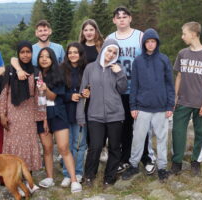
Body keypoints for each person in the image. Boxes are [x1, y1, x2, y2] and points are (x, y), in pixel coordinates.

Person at [107, 6, 156, 174]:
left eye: (124, 16)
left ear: (130, 18)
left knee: (142, 125)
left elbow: (150, 60)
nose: (121, 19)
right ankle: (125, 158)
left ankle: (146, 158)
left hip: (138, 89)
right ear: (114, 20)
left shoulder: (140, 36)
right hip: (118, 90)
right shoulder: (110, 39)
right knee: (125, 127)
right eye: (118, 16)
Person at [121, 28, 175, 182]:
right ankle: (133, 165)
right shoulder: (138, 61)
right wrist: (133, 106)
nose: (150, 44)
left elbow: (170, 84)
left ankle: (162, 168)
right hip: (142, 107)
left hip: (161, 107)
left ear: (157, 43)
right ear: (144, 44)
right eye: (148, 42)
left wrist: (170, 105)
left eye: (153, 41)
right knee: (138, 138)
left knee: (162, 139)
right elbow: (134, 85)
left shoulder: (164, 59)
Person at [77, 38, 127, 186]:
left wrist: (119, 74)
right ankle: (89, 176)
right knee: (95, 146)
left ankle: (109, 178)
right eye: (109, 50)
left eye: (114, 52)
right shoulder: (90, 68)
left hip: (116, 115)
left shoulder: (118, 68)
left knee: (114, 147)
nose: (111, 54)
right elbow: (83, 92)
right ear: (104, 49)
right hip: (95, 115)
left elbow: (123, 89)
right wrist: (80, 115)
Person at [35, 47, 82, 193]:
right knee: (47, 149)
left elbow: (53, 96)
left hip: (58, 114)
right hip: (41, 115)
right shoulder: (35, 74)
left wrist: (45, 88)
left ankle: (74, 180)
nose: (44, 59)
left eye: (47, 56)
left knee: (63, 148)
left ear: (52, 59)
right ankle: (49, 177)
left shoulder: (59, 74)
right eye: (41, 56)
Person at [0, 41, 43, 194]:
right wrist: (2, 114)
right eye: (22, 52)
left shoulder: (36, 72)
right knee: (14, 147)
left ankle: (29, 181)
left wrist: (41, 118)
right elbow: (4, 94)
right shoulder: (11, 71)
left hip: (29, 113)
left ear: (32, 53)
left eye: (28, 52)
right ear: (18, 53)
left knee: (29, 146)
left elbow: (39, 97)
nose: (25, 55)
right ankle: (16, 181)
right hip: (13, 113)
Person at [171, 21, 202, 177]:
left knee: (200, 133)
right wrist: (175, 97)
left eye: (184, 33)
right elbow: (179, 76)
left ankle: (196, 163)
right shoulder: (182, 53)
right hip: (182, 101)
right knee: (177, 132)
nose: (182, 37)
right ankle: (176, 163)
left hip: (200, 103)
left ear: (194, 34)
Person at [60, 42, 89, 187]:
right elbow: (57, 92)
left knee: (81, 144)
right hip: (65, 111)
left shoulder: (86, 69)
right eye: (70, 52)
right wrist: (69, 96)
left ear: (80, 54)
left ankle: (78, 171)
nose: (73, 55)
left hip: (82, 112)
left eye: (75, 52)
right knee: (67, 145)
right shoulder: (61, 69)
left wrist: (88, 92)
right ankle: (67, 173)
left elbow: (92, 86)